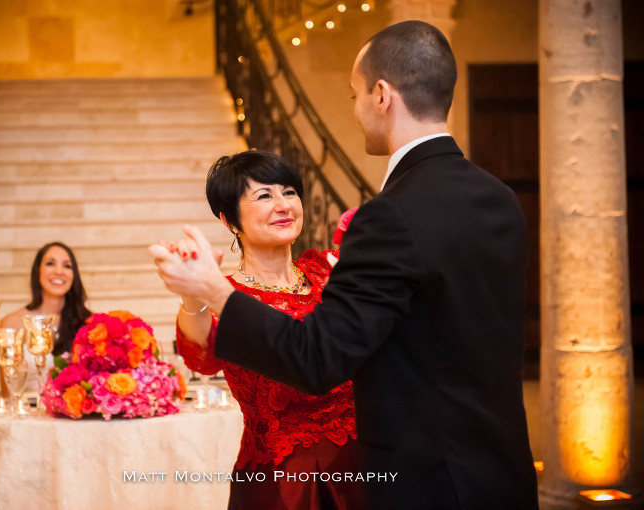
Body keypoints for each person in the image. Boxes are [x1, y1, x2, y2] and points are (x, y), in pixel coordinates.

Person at [150, 21, 539, 510]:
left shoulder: (386, 221)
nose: (354, 110)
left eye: (354, 94)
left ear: (381, 95)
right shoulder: (500, 199)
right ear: (231, 219)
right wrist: (204, 294)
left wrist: (215, 291)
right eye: (264, 195)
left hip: (423, 481)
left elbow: (317, 358)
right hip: (498, 472)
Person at [166, 150, 360, 510]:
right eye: (264, 196)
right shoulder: (228, 297)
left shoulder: (329, 271)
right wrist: (195, 293)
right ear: (230, 220)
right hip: (283, 484)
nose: (283, 204)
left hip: (366, 468)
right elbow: (202, 359)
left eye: (289, 191)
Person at [0, 241, 92, 395]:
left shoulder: (89, 323)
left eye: (67, 266)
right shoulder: (13, 323)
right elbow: (7, 394)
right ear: (38, 271)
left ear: (74, 275)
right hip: (27, 415)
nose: (59, 271)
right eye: (50, 263)